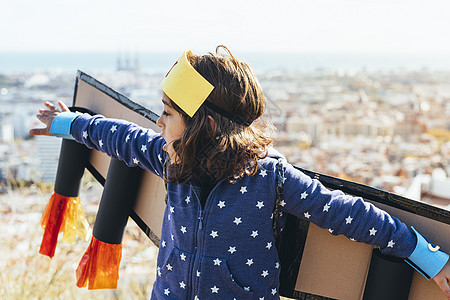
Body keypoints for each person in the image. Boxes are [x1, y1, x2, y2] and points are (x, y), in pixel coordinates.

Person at [30, 46, 450, 299]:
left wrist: (425, 256)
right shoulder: (171, 159)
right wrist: (66, 123)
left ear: (205, 125)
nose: (158, 122)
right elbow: (117, 135)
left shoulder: (269, 178)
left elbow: (348, 214)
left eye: (169, 112)